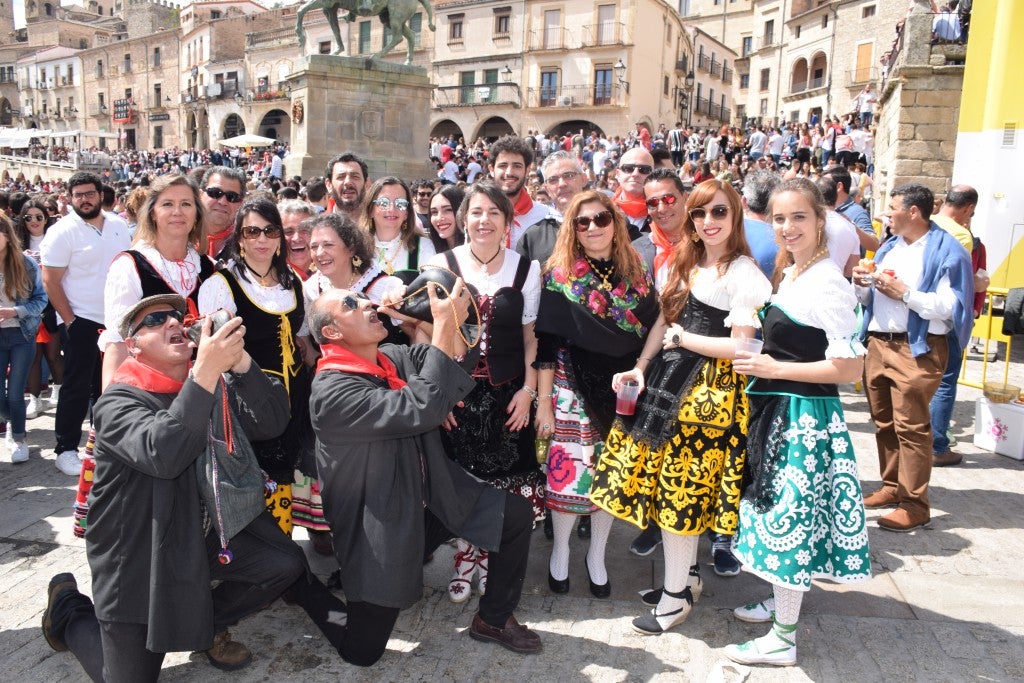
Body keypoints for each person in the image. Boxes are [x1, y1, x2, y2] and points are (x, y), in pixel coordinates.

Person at [41, 294, 348, 681]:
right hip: (138, 556)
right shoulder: (118, 401)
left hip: (196, 536)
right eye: (154, 321)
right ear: (132, 346)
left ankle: (204, 625)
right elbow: (164, 454)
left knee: (282, 565)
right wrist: (204, 372)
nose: (172, 322)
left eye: (175, 316)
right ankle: (68, 610)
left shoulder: (209, 383)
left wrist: (240, 362)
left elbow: (272, 421)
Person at [308, 286, 541, 666]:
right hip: (381, 526)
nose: (366, 303)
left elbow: (453, 363)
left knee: (514, 515)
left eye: (362, 297)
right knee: (362, 652)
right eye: (351, 305)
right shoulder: (331, 393)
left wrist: (452, 313)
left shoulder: (389, 358)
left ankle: (493, 619)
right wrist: (441, 325)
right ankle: (301, 587)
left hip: (432, 496)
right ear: (332, 332)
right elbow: (421, 406)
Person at [591, 179, 772, 635]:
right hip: (668, 385)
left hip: (709, 399)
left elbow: (743, 348)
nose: (708, 221)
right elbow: (663, 322)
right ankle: (685, 581)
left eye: (719, 212)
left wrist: (684, 339)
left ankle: (674, 600)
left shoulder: (743, 273)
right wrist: (641, 367)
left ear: (735, 215)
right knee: (670, 491)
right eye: (700, 213)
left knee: (683, 495)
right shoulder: (685, 260)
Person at [726, 178, 870, 667]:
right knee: (777, 510)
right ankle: (779, 601)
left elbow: (849, 370)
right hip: (780, 409)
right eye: (780, 218)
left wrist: (774, 368)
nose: (788, 227)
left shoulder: (827, 281)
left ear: (820, 220)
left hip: (803, 417)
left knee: (788, 516)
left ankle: (783, 638)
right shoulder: (795, 273)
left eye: (799, 217)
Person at [420, 182, 545, 603]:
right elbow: (428, 334)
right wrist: (438, 394)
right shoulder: (443, 263)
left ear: (507, 221)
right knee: (462, 481)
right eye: (476, 212)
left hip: (509, 393)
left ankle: (490, 555)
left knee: (503, 484)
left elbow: (531, 337)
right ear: (463, 219)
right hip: (458, 393)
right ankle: (465, 554)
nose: (484, 220)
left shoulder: (526, 269)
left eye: (494, 212)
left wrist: (529, 391)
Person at [535, 191, 658, 598]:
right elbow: (546, 344)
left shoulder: (636, 271)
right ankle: (561, 551)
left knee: (610, 478)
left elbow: (652, 326)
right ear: (572, 228)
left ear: (615, 223)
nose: (592, 227)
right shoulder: (559, 275)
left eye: (601, 219)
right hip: (571, 388)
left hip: (621, 390)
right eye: (582, 221)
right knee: (569, 477)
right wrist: (545, 404)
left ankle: (597, 555)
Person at [853, 184, 973, 531]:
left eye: (891, 208)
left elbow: (949, 308)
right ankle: (892, 487)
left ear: (914, 212)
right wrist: (862, 283)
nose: (885, 215)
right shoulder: (889, 246)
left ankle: (915, 505)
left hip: (916, 348)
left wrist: (906, 294)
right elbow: (867, 301)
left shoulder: (947, 251)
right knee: (884, 422)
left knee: (912, 428)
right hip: (879, 343)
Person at [199, 197, 313, 534]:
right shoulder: (222, 285)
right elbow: (216, 354)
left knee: (287, 478)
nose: (262, 239)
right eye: (252, 232)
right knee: (259, 478)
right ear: (239, 238)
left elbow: (303, 337)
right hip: (251, 403)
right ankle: (262, 549)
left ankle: (285, 545)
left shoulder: (293, 281)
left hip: (295, 397)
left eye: (270, 230)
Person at [41, 171, 131, 476]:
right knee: (76, 387)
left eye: (89, 193)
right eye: (78, 195)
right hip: (82, 320)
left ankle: (104, 446)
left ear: (100, 194)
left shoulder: (118, 225)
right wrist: (70, 321)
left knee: (111, 388)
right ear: (69, 198)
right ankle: (66, 448)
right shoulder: (62, 231)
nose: (84, 199)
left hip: (117, 322)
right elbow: (50, 280)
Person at [100, 175, 216, 388]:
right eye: (167, 204)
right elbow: (117, 342)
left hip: (204, 388)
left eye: (186, 204)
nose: (177, 212)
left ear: (197, 213)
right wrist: (110, 401)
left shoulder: (208, 266)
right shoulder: (130, 265)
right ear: (153, 212)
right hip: (149, 390)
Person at [360, 176, 437, 344]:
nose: (392, 209)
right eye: (383, 203)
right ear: (371, 209)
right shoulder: (357, 249)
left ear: (407, 212)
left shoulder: (423, 247)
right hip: (364, 343)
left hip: (411, 342)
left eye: (400, 203)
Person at [0, 213, 48, 463]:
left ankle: (18, 437)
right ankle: (12, 421)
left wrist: (15, 311)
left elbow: (41, 300)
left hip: (22, 334)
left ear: (7, 236)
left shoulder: (25, 264)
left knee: (16, 394)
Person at [17, 199, 62, 419]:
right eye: (29, 217)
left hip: (54, 304)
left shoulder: (56, 240)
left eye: (39, 217)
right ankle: (35, 399)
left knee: (53, 354)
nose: (34, 221)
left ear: (46, 218)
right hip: (27, 306)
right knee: (33, 357)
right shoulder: (16, 244)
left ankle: (59, 390)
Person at [516, 151, 588, 266]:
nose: (562, 184)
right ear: (547, 189)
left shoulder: (607, 222)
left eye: (569, 175)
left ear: (584, 179)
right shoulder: (532, 237)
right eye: (553, 180)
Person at [487, 135, 549, 248]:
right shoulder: (479, 215)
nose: (509, 172)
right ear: (491, 169)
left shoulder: (544, 216)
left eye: (517, 166)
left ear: (527, 170)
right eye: (503, 165)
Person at [199, 166, 247, 260]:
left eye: (232, 196)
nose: (223, 202)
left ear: (240, 203)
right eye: (215, 193)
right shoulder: (181, 234)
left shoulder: (249, 244)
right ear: (200, 195)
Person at [614, 148, 655, 236]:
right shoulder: (605, 211)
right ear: (618, 174)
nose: (635, 174)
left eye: (644, 169)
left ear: (653, 176)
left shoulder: (664, 213)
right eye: (628, 168)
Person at [279, 199, 317, 278]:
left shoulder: (330, 268)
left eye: (304, 230)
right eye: (288, 232)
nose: (297, 238)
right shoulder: (270, 276)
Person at [326, 152, 370, 220]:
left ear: (366, 184)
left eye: (355, 176)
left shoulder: (381, 224)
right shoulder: (317, 225)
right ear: (329, 185)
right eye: (341, 177)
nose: (348, 182)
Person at [426, 184, 466, 254]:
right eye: (434, 212)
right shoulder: (428, 251)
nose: (439, 218)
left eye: (448, 210)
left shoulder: (477, 253)